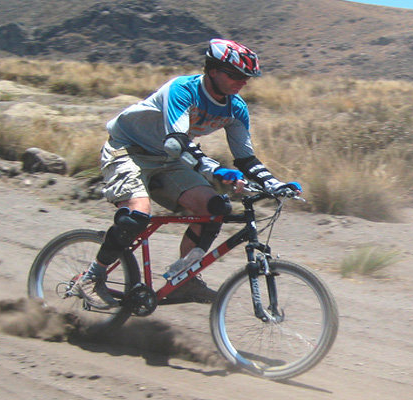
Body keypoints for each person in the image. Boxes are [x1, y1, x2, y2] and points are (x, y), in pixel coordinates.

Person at [76, 38, 299, 309]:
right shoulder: (182, 89)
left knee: (215, 208)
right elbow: (177, 142)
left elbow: (246, 158)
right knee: (137, 216)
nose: (242, 82)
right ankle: (92, 276)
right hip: (128, 150)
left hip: (167, 159)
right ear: (213, 70)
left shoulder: (236, 108)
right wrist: (216, 169)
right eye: (235, 75)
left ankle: (185, 280)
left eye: (247, 77)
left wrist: (275, 184)